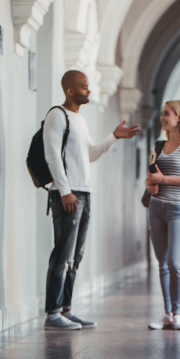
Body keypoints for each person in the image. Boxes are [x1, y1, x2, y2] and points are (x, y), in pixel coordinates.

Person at [43, 70, 140, 330]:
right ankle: (52, 313)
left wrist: (113, 137)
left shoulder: (80, 120)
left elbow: (90, 155)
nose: (89, 91)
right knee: (62, 253)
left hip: (84, 192)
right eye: (84, 87)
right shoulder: (57, 115)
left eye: (88, 86)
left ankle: (66, 309)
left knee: (76, 255)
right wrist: (64, 191)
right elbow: (52, 155)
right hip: (68, 193)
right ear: (70, 90)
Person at [145, 100, 180, 331]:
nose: (162, 118)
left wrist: (164, 180)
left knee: (175, 263)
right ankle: (167, 314)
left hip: (178, 209)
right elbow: (150, 178)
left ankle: (177, 314)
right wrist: (150, 185)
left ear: (179, 116)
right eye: (161, 114)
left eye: (166, 113)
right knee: (162, 264)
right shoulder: (158, 144)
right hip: (156, 208)